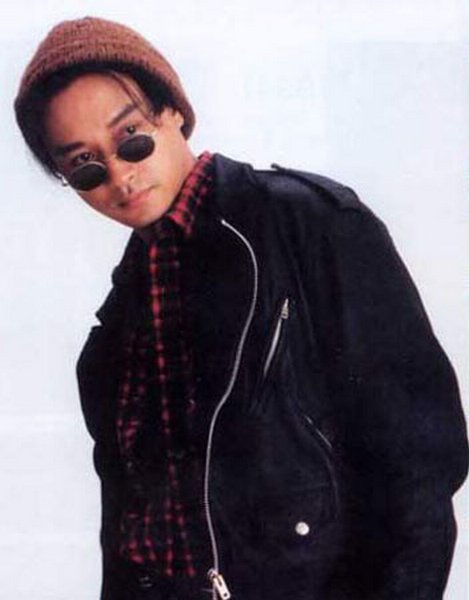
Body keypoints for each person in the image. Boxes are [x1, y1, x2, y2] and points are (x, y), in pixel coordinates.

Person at [14, 16, 468, 600]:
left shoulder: (312, 226)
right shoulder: (112, 334)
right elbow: (129, 535)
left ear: (173, 112)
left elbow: (417, 470)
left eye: (131, 138)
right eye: (86, 165)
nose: (121, 175)